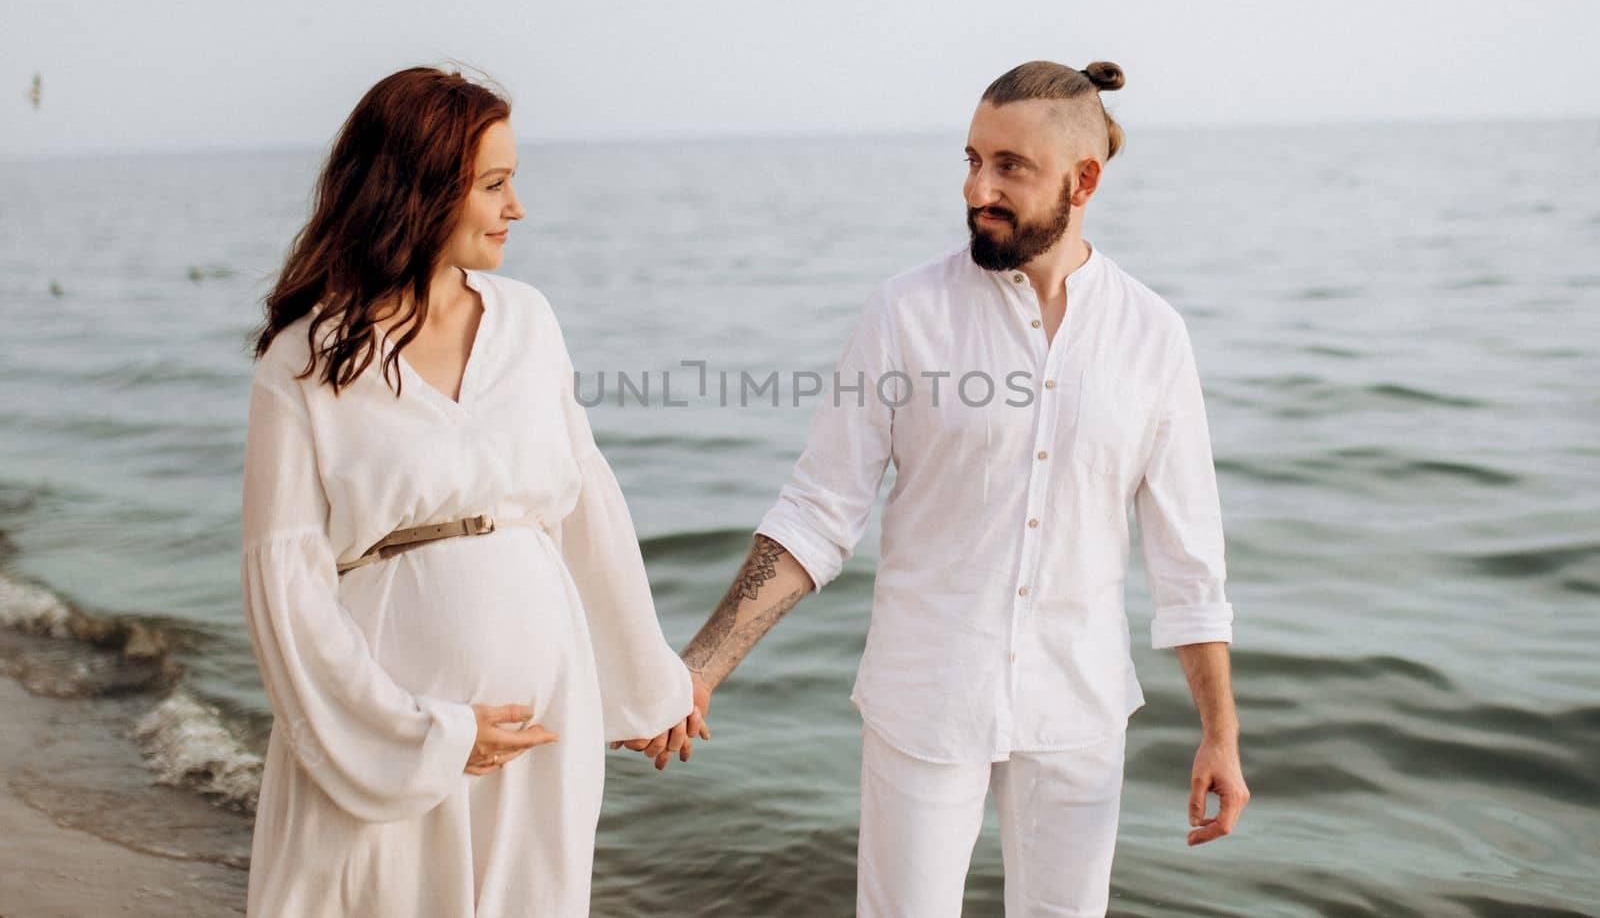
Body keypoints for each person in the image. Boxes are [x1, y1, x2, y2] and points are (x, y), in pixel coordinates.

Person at [624, 60, 1250, 915]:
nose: (977, 189)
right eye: (970, 160)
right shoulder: (904, 312)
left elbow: (1189, 559)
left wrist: (1220, 731)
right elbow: (818, 510)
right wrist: (703, 665)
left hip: (1080, 711)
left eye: (1009, 167)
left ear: (1085, 180)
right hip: (926, 700)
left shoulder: (1153, 335)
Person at [239, 66, 692, 916]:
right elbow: (284, 584)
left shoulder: (528, 321)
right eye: (493, 184)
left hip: (541, 726)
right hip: (388, 728)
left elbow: (586, 510)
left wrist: (648, 684)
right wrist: (424, 734)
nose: (515, 207)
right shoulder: (303, 361)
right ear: (415, 191)